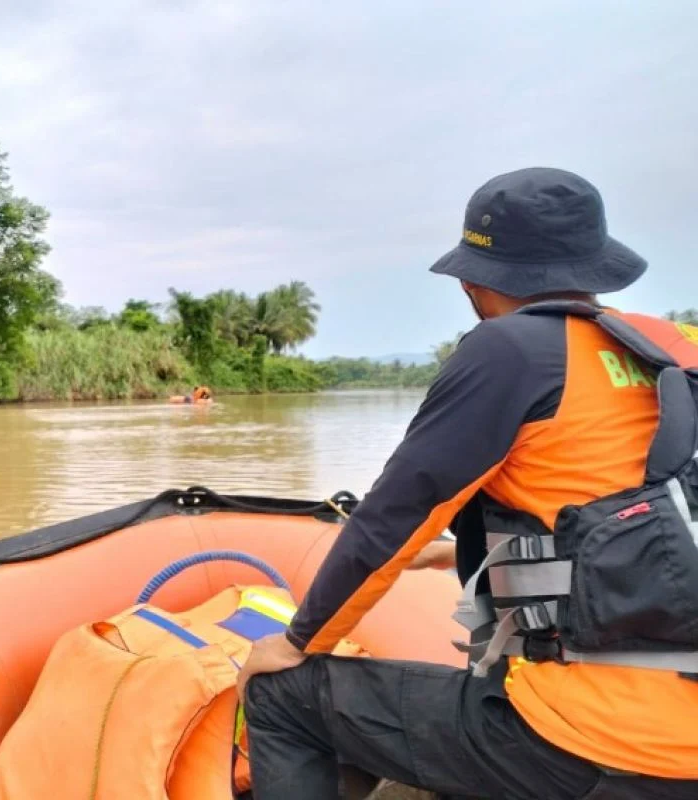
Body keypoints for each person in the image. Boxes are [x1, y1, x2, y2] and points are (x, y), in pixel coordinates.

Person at [235, 167, 698, 799]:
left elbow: (389, 521)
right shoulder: (676, 348)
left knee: (281, 696)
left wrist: (294, 643)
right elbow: (645, 510)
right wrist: (457, 552)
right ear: (596, 267)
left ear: (475, 283)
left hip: (598, 747)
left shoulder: (509, 351)